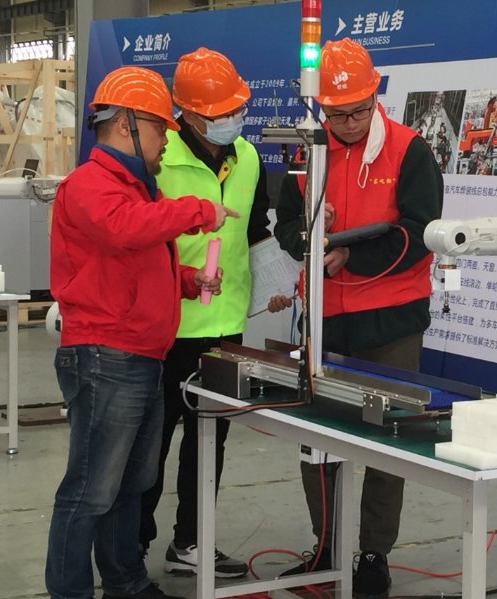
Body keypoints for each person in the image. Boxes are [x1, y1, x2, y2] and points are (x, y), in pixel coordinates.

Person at [46, 66, 238, 599]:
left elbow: (136, 262)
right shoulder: (90, 184)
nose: (165, 143)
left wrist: (188, 280)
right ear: (126, 124)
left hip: (140, 355)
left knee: (132, 484)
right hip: (106, 356)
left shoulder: (135, 190)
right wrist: (199, 210)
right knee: (91, 490)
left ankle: (125, 581)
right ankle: (70, 591)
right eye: (160, 129)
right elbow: (124, 230)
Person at [269, 38, 443, 599]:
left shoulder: (409, 151)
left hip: (390, 320)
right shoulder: (307, 150)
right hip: (323, 318)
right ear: (321, 106)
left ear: (375, 97)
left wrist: (351, 255)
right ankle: (326, 546)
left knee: (387, 439)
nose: (348, 124)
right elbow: (285, 221)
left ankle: (374, 554)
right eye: (337, 114)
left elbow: (419, 233)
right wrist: (305, 238)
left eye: (359, 111)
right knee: (316, 435)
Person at [137, 47, 271, 579]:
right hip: (168, 324)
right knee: (151, 442)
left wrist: (279, 282)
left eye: (236, 108)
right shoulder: (158, 158)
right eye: (220, 112)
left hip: (225, 324)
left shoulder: (249, 157)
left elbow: (256, 231)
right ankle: (132, 543)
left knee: (208, 440)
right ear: (188, 113)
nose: (232, 119)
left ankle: (192, 541)